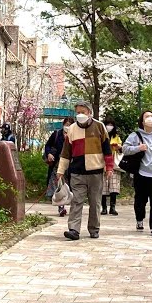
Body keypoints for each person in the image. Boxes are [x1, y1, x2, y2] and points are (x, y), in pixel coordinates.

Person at [55, 101, 112, 240]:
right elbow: (66, 152)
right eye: (78, 112)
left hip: (96, 172)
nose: (80, 115)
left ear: (89, 113)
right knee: (77, 201)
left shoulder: (99, 126)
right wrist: (60, 170)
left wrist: (109, 167)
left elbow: (107, 150)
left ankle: (94, 229)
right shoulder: (72, 129)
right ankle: (74, 229)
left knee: (95, 202)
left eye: (83, 112)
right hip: (77, 172)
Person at [44, 117, 73, 217]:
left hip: (71, 166)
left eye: (70, 124)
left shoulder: (75, 135)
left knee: (70, 186)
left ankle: (71, 206)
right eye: (66, 124)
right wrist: (49, 154)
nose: (67, 126)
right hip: (57, 165)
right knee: (59, 186)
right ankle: (61, 207)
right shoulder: (56, 134)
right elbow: (47, 145)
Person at [101, 118, 123, 215]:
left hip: (114, 164)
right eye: (107, 124)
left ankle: (112, 207)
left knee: (114, 186)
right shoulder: (100, 136)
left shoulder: (116, 137)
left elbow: (121, 149)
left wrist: (117, 147)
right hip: (102, 163)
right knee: (103, 187)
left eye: (111, 124)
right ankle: (104, 208)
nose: (109, 126)